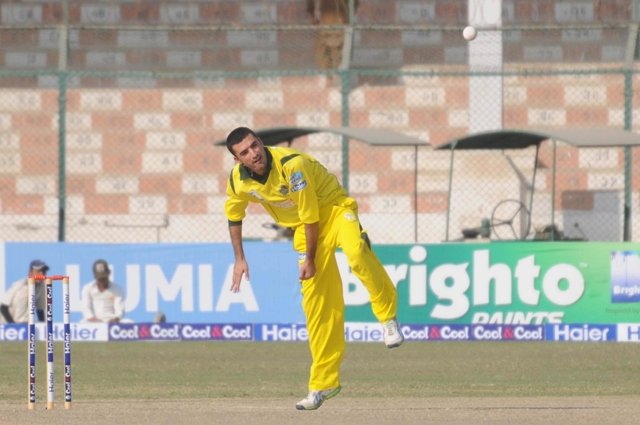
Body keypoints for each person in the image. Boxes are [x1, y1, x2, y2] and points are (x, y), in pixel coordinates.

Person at [223, 127, 403, 411]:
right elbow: (234, 215)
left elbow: (310, 214)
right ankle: (323, 384)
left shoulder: (291, 166)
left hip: (333, 210)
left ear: (260, 142)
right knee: (317, 306)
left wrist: (309, 259)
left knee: (355, 253)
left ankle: (387, 316)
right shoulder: (238, 181)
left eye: (254, 145)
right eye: (244, 152)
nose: (253, 153)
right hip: (303, 229)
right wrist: (239, 258)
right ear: (237, 160)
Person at [307, 0, 358, 69]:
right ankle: (332, 75)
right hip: (336, 24)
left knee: (330, 57)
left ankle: (331, 76)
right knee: (334, 57)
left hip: (334, 24)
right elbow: (355, 5)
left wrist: (312, 15)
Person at [0, 259, 48, 324]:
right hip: (6, 326)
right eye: (38, 271)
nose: (42, 274)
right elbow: (3, 307)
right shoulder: (20, 285)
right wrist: (13, 326)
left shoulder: (41, 287)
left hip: (26, 324)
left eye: (44, 271)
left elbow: (39, 309)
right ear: (30, 272)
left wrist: (43, 327)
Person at [81, 259, 127, 323]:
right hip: (93, 321)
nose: (102, 281)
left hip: (112, 321)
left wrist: (116, 319)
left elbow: (120, 309)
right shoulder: (88, 288)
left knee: (129, 322)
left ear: (109, 273)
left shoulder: (117, 289)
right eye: (100, 278)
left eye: (104, 277)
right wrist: (93, 319)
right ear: (95, 276)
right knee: (82, 323)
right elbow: (86, 308)